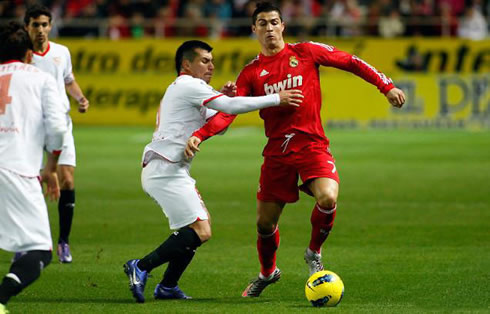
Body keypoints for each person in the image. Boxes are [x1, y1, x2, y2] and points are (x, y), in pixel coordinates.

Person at [185, 2, 406, 298]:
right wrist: (200, 134)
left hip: (312, 144)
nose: (269, 28)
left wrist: (386, 86)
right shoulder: (251, 73)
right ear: (254, 30)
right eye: (262, 23)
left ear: (283, 26)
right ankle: (267, 273)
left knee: (328, 196)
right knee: (265, 223)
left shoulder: (305, 52)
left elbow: (351, 61)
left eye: (274, 22)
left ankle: (314, 252)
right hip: (277, 152)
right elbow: (228, 112)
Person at [123, 40, 303, 303]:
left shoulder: (190, 89)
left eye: (212, 61)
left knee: (193, 229)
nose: (211, 66)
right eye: (204, 61)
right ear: (186, 64)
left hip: (167, 168)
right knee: (200, 230)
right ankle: (141, 266)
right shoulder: (188, 85)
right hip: (165, 168)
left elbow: (221, 123)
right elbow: (230, 109)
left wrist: (225, 97)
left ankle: (168, 287)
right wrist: (277, 98)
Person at [0, 22, 67, 314]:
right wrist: (51, 167)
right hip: (16, 170)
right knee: (39, 250)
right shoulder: (40, 78)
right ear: (29, 55)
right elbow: (57, 130)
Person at [23, 4, 90, 263]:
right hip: (29, 127)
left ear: (50, 26)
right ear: (26, 27)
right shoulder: (20, 55)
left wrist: (80, 98)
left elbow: (68, 80)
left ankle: (63, 241)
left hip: (60, 124)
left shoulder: (61, 52)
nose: (40, 30)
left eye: (44, 25)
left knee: (68, 181)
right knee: (30, 183)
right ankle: (29, 241)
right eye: (35, 25)